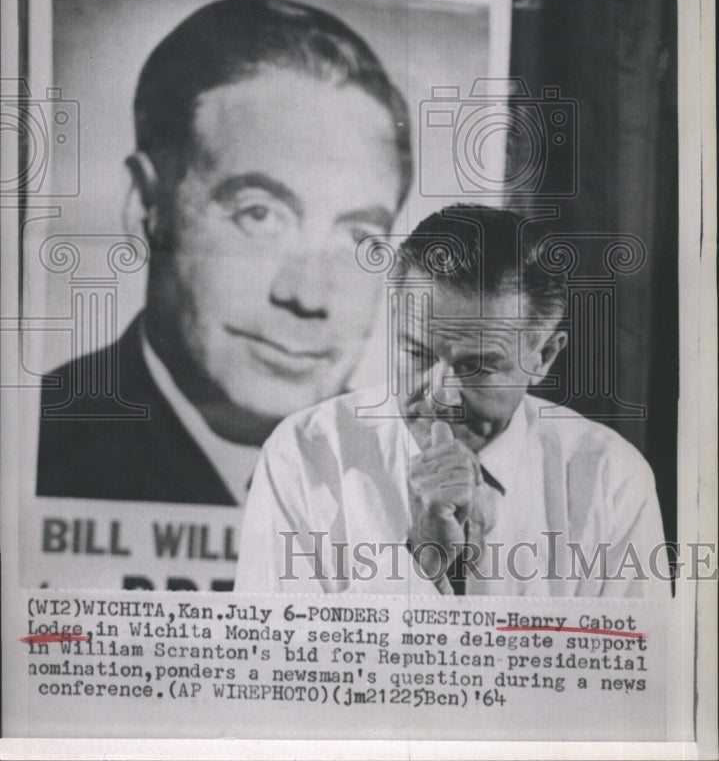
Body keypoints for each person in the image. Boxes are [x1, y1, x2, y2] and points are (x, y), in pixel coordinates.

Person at [37, 0, 411, 505]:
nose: (308, 297)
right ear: (146, 208)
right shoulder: (37, 448)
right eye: (259, 215)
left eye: (358, 239)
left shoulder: (401, 472)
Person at [236, 205, 669, 596]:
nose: (441, 394)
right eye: (416, 353)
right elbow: (276, 655)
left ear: (543, 356)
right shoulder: (305, 454)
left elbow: (634, 657)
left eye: (477, 366)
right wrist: (420, 561)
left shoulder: (610, 477)